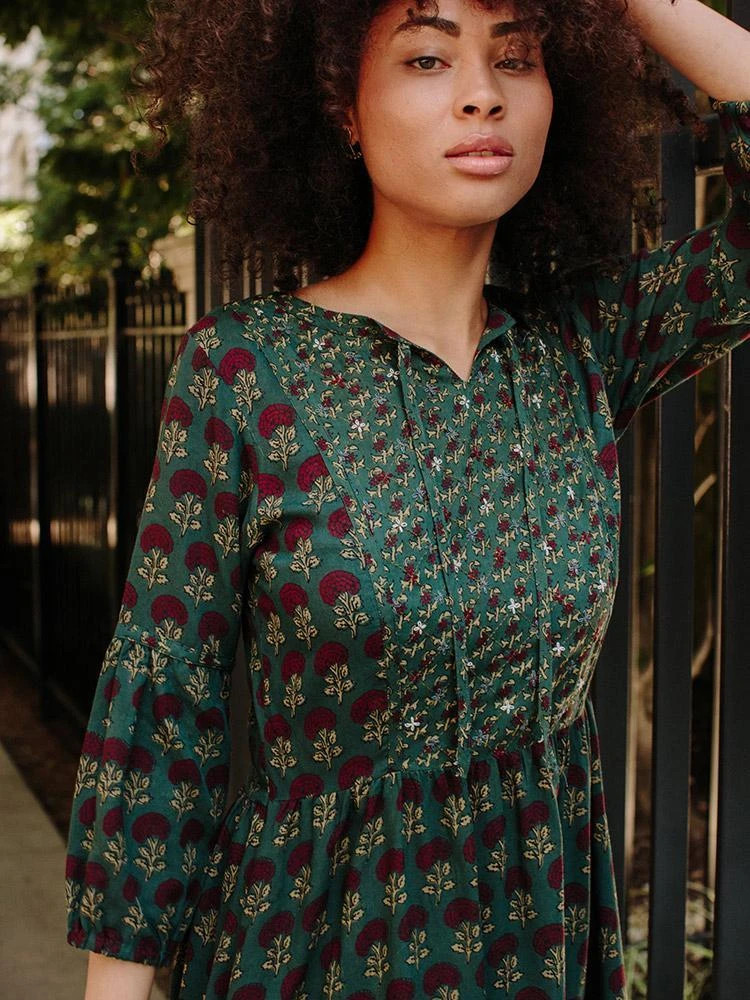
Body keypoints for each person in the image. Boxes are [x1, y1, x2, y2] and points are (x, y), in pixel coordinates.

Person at [65, 0, 750, 997]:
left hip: (538, 945)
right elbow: (161, 707)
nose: (482, 94)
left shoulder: (579, 349)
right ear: (342, 105)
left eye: (517, 56)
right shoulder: (247, 369)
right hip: (314, 948)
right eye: (429, 57)